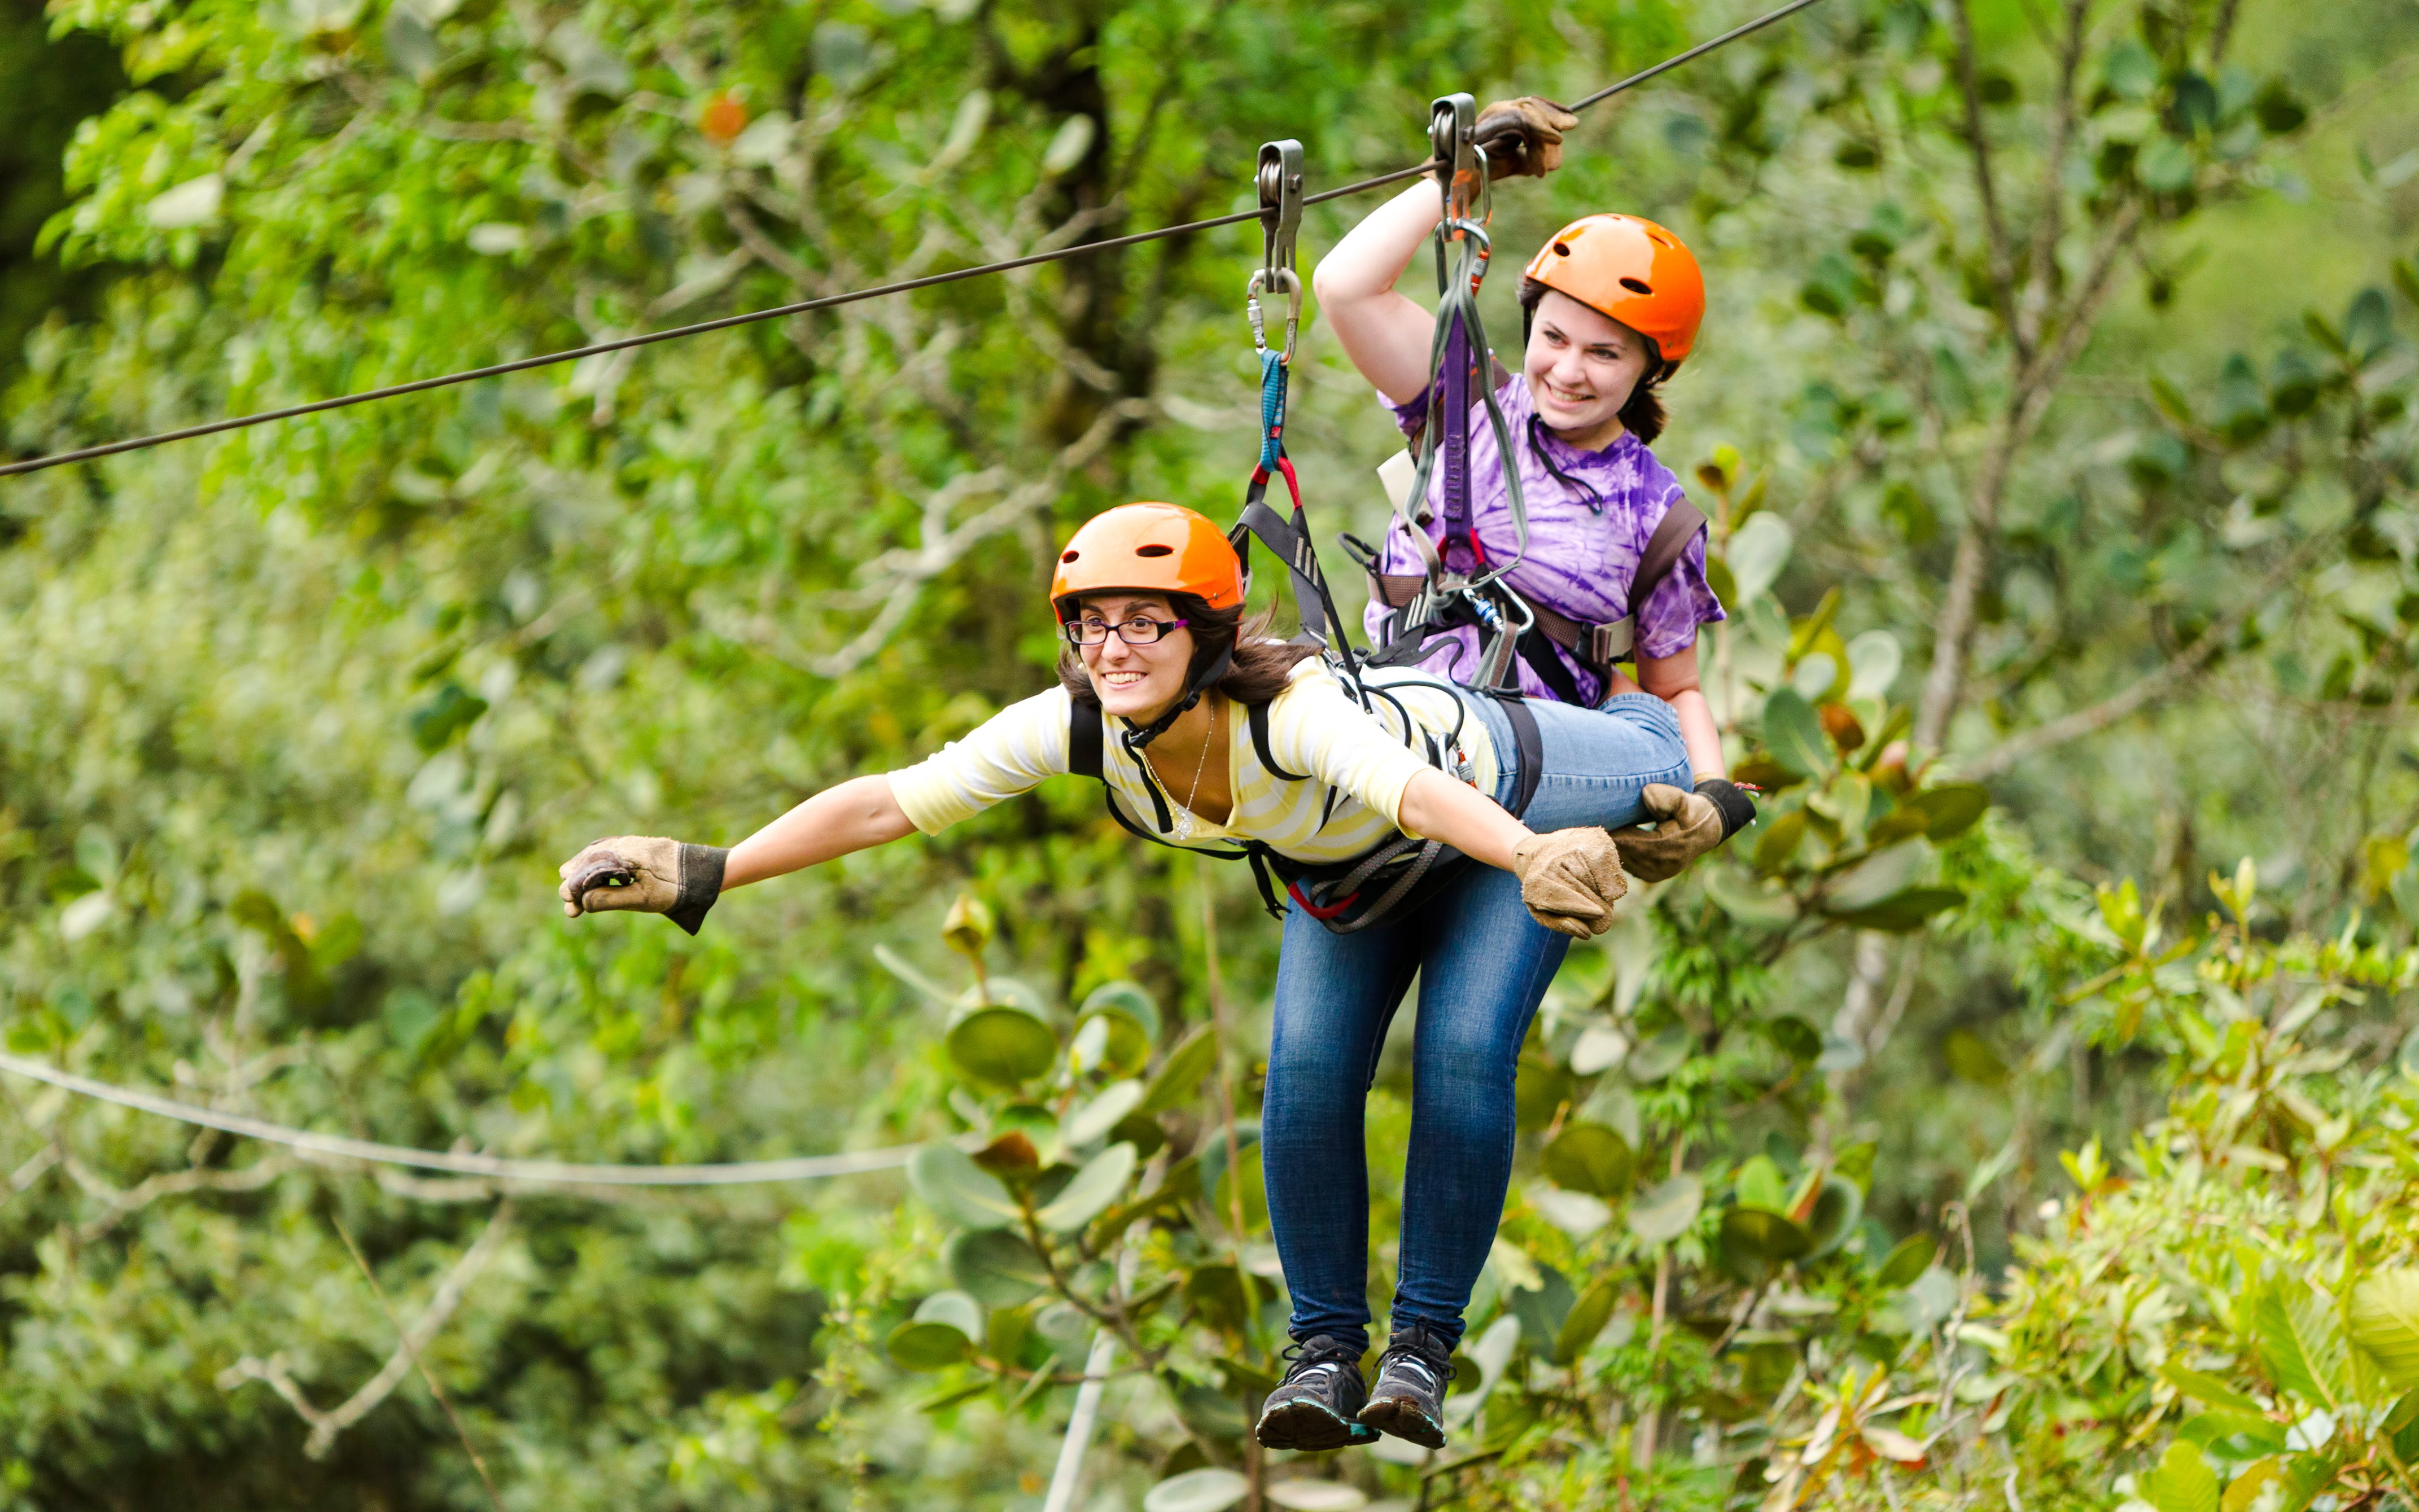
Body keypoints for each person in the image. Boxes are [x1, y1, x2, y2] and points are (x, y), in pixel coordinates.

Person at [553, 498, 1749, 1452]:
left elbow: (1415, 793)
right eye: (1092, 623)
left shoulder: (1294, 712)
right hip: (1359, 882)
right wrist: (710, 868)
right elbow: (888, 801)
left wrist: (1551, 845)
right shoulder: (1078, 726)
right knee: (1306, 1083)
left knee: (1461, 1050)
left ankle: (1420, 1352)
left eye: (1145, 622)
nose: (1112, 648)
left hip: (1515, 792)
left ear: (1206, 634)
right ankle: (1325, 1354)